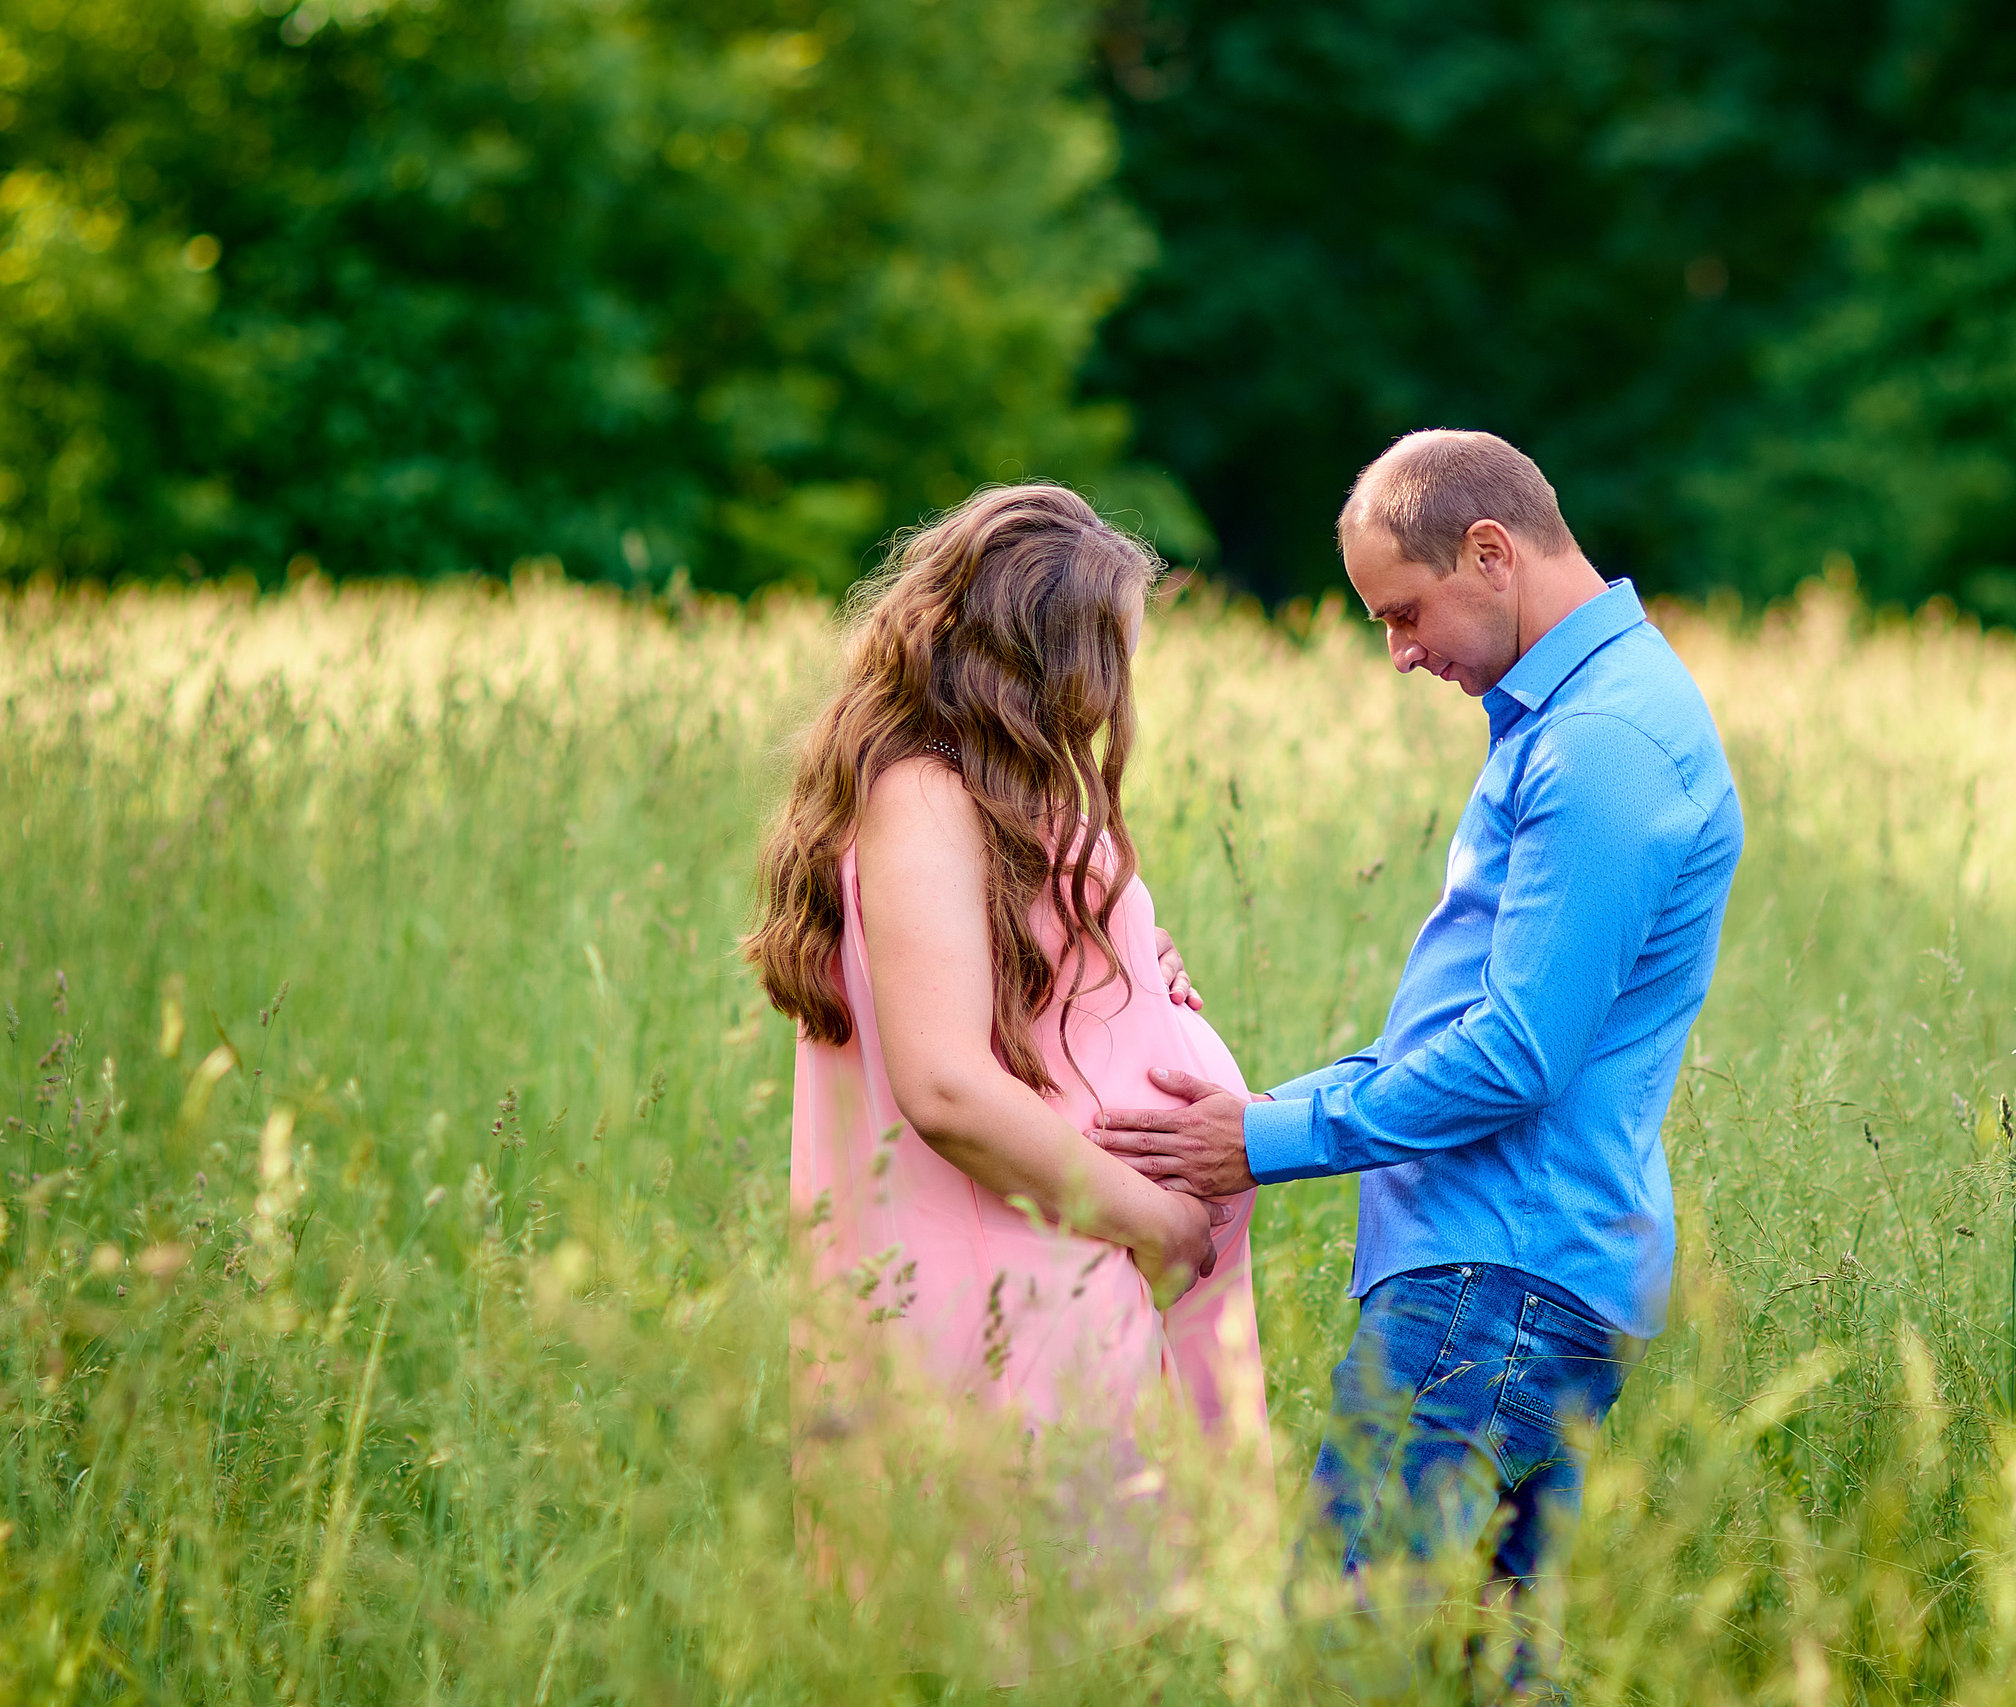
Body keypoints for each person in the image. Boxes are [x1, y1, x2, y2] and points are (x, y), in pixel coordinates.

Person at [1093, 429, 1742, 1588]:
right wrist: (1266, 1104)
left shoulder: (1600, 745)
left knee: (1345, 1646)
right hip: (1523, 1269)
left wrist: (1264, 1140)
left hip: (1497, 1279)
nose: (1396, 654)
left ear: (1490, 553)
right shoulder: (1583, 716)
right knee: (1483, 1663)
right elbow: (1470, 1034)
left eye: (1402, 613)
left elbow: (1514, 1055)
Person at [743, 483, 1269, 1519]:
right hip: (1015, 1291)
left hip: (1062, 1277)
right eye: (1111, 655)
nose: (1118, 691)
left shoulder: (988, 800)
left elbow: (1005, 985)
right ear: (1044, 656)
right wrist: (1158, 1222)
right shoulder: (924, 798)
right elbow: (942, 1086)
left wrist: (1120, 971)